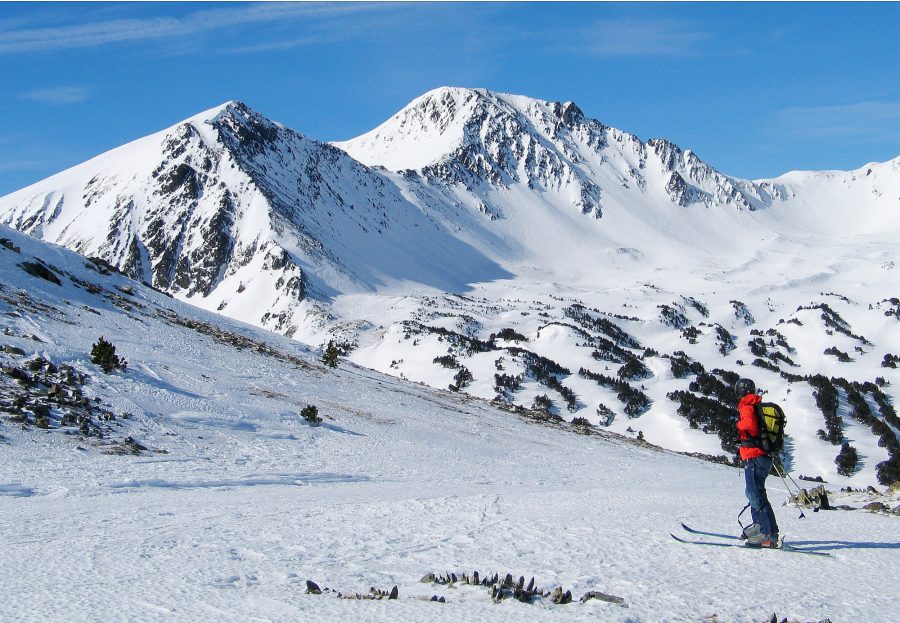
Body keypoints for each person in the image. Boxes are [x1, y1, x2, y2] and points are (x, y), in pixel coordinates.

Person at [735, 378, 779, 547]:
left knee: (756, 495)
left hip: (754, 457)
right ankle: (763, 529)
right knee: (755, 494)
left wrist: (737, 425)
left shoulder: (747, 405)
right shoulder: (755, 405)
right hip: (762, 456)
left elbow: (750, 425)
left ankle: (766, 535)